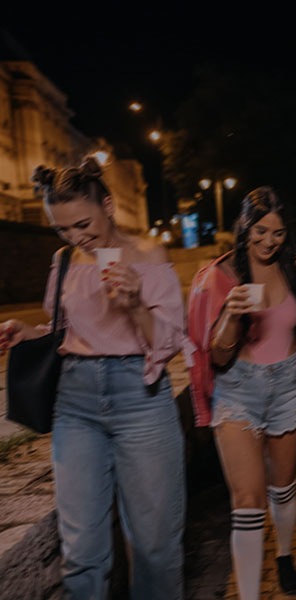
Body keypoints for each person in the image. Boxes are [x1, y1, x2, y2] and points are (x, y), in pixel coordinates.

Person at [0, 157, 186, 599]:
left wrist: (137, 302)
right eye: (62, 229)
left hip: (140, 399)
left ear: (108, 204)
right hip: (75, 403)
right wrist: (29, 333)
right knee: (81, 549)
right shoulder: (65, 261)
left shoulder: (149, 256)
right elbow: (67, 333)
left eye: (82, 224)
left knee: (155, 546)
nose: (75, 237)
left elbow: (168, 344)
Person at [187, 186, 296, 599]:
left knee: (283, 486)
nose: (268, 241)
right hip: (238, 389)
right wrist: (230, 314)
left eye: (277, 233)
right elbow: (219, 356)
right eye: (260, 231)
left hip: (289, 385)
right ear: (244, 228)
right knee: (247, 500)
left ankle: (284, 554)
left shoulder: (292, 268)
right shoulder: (222, 277)